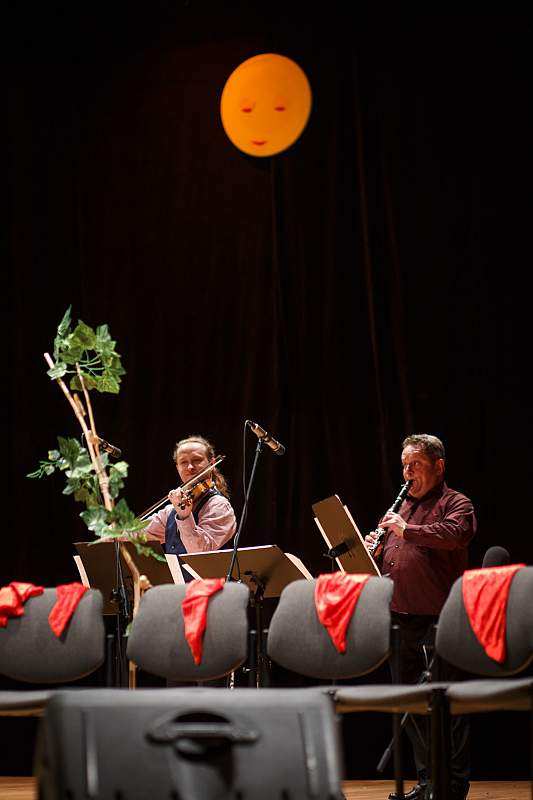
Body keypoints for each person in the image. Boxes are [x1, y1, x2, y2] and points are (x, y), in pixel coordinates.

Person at [365, 434, 476, 800]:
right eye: (404, 465)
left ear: (438, 465)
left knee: (448, 707)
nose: (407, 473)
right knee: (411, 707)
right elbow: (392, 559)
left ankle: (453, 786)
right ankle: (428, 782)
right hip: (400, 617)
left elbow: (455, 535)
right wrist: (373, 548)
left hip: (440, 618)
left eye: (415, 464)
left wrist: (406, 530)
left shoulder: (455, 503)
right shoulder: (403, 508)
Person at [145, 435, 236, 562]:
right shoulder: (171, 509)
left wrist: (185, 517)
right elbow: (138, 531)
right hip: (179, 582)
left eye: (197, 460)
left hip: (213, 581)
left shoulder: (218, 506)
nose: (190, 467)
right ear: (177, 467)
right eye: (183, 462)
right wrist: (111, 532)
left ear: (212, 463)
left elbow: (200, 553)